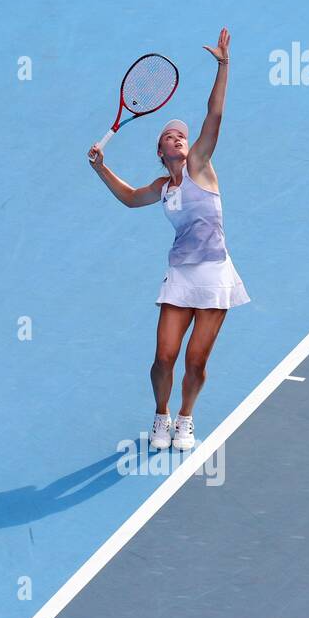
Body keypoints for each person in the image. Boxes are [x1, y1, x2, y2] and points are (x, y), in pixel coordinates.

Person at [87, 28, 250, 451]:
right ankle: (161, 416)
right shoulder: (163, 186)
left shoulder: (200, 165)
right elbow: (127, 198)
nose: (179, 138)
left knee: (196, 362)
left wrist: (223, 66)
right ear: (161, 152)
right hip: (180, 276)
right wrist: (101, 167)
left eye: (181, 135)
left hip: (216, 276)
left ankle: (186, 417)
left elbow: (214, 115)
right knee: (164, 357)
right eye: (169, 137)